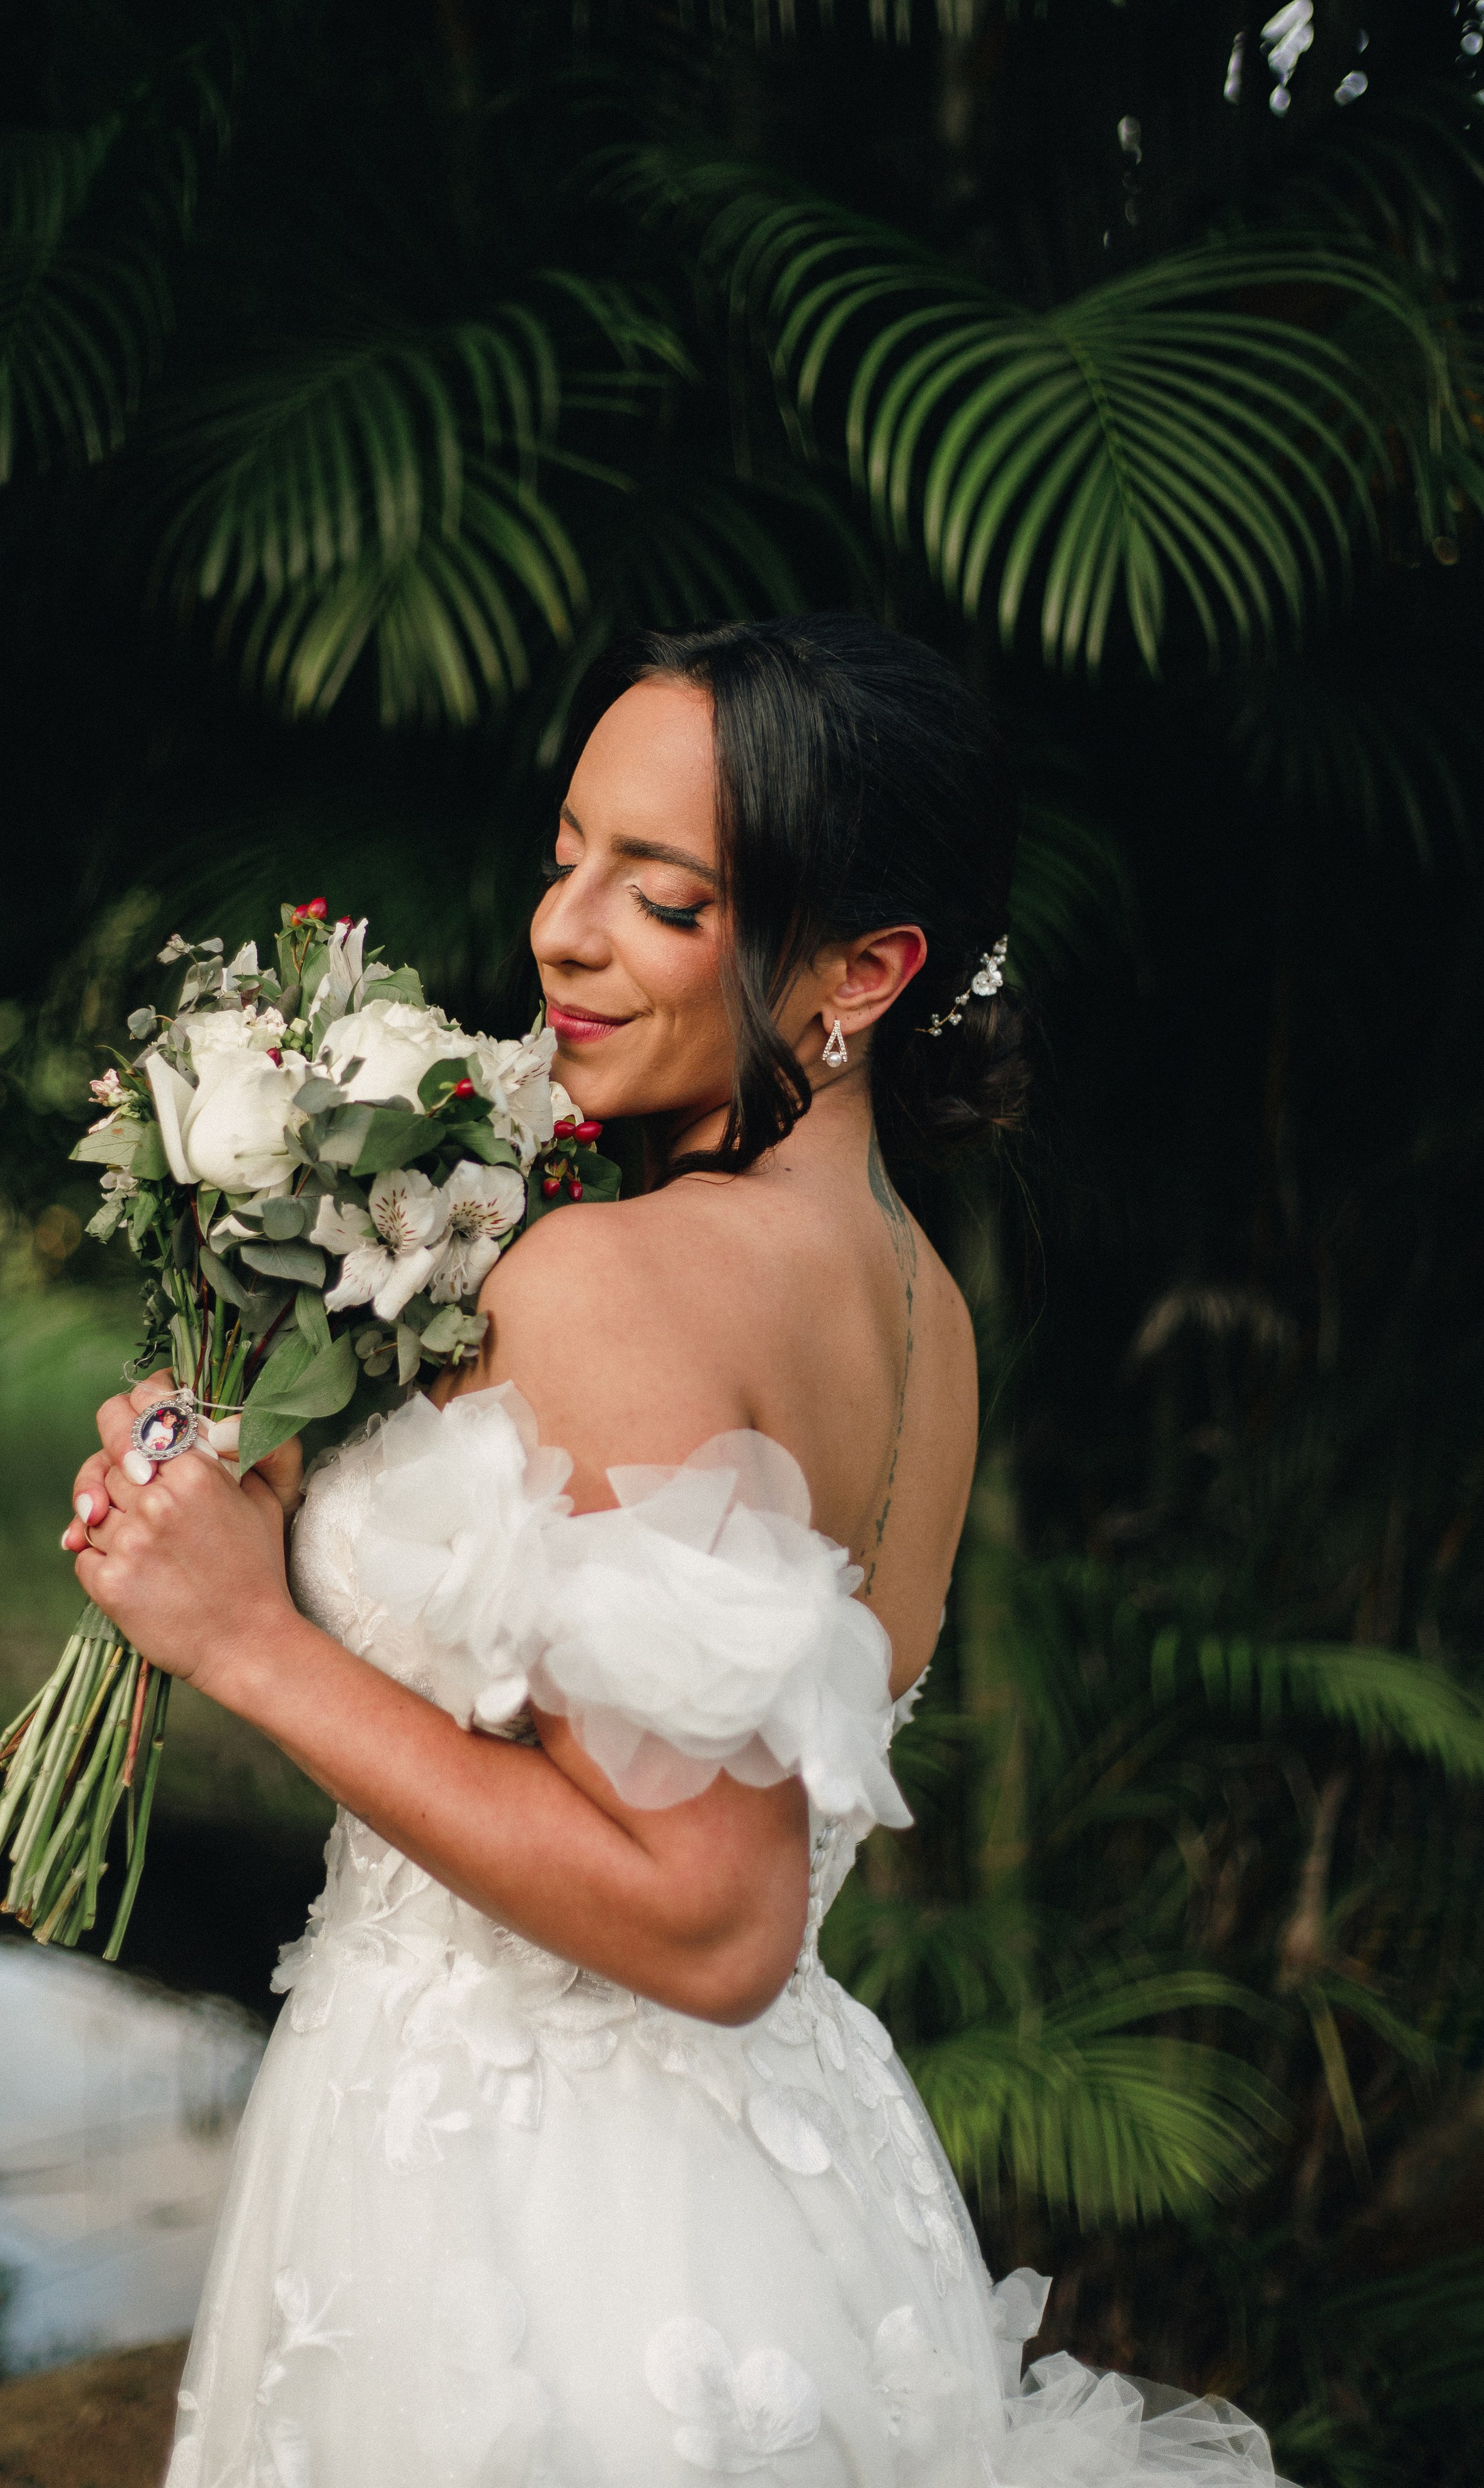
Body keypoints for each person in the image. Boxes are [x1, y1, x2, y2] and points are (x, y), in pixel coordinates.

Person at [62, 617, 1290, 2486]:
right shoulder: (919, 1314)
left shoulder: (613, 1281)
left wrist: (243, 1635)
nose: (562, 928)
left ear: (865, 969)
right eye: (570, 858)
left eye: (665, 897)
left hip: (545, 2228)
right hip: (782, 2187)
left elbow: (713, 1916)